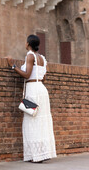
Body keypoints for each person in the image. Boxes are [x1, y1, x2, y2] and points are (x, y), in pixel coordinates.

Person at [7, 34, 57, 163]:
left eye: (26, 42)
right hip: (41, 89)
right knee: (42, 122)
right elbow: (44, 77)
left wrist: (13, 66)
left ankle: (35, 155)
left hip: (33, 90)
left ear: (28, 44)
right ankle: (43, 153)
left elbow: (27, 74)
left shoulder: (30, 55)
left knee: (31, 121)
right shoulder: (42, 58)